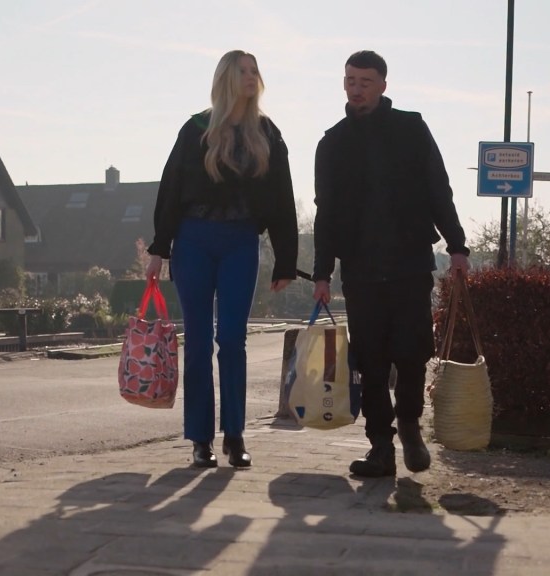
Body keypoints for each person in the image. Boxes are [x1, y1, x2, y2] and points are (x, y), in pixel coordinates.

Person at [312, 50, 471, 477]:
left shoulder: (411, 129)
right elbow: (326, 212)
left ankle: (411, 427)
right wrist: (322, 272)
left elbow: (439, 189)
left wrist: (457, 246)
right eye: (350, 80)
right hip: (360, 269)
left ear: (383, 85)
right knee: (370, 361)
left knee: (412, 352)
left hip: (409, 263)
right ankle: (381, 446)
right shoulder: (332, 143)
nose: (356, 89)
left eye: (365, 81)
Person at [145, 50, 299, 469]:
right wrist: (159, 248)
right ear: (227, 79)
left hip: (240, 242)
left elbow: (282, 198)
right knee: (197, 341)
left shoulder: (267, 133)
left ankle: (234, 435)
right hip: (193, 241)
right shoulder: (195, 129)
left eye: (254, 70)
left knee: (231, 339)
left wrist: (286, 260)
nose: (251, 76)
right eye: (242, 71)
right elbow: (170, 189)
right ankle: (200, 439)